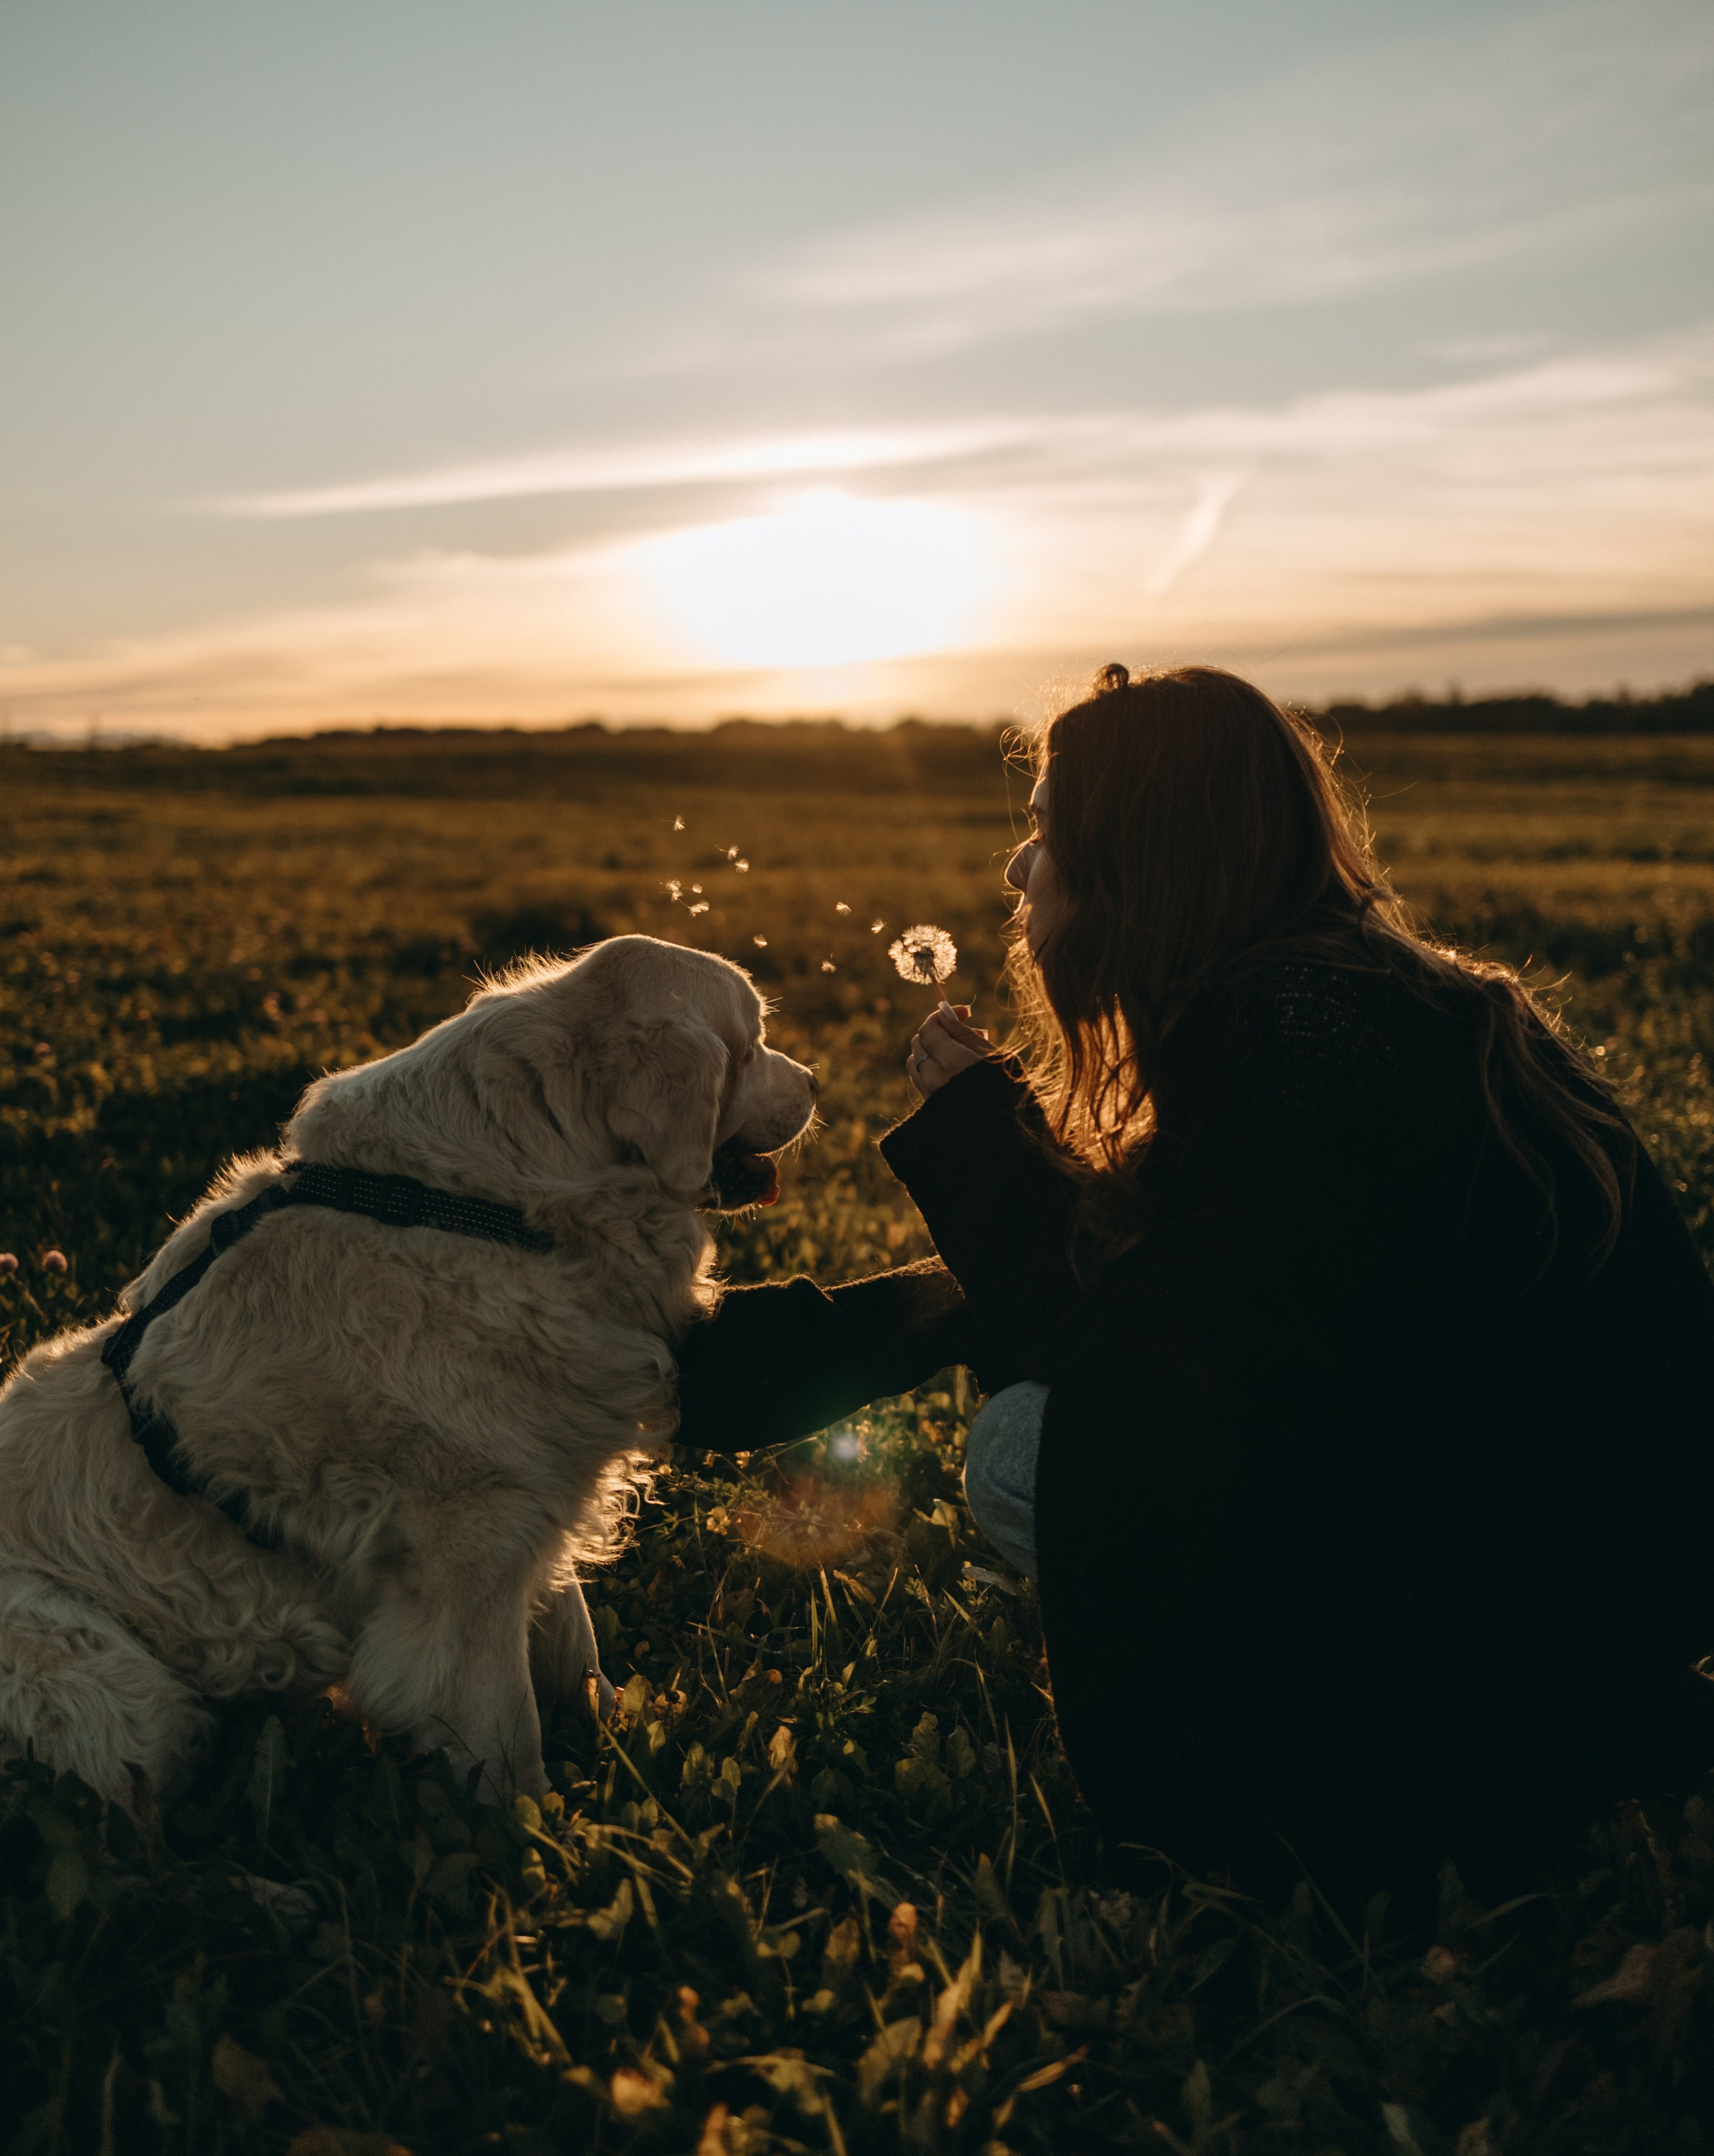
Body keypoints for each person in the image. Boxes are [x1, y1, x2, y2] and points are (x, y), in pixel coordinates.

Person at [675, 664, 1714, 1909]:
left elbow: (1152, 1355)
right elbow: (1183, 1292)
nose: (1019, 871)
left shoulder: (1299, 1039)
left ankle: (1312, 1781)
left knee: (1025, 1447)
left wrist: (981, 1139)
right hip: (1582, 1588)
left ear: (1138, 855)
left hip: (1510, 1642)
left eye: (1047, 830)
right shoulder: (1368, 999)